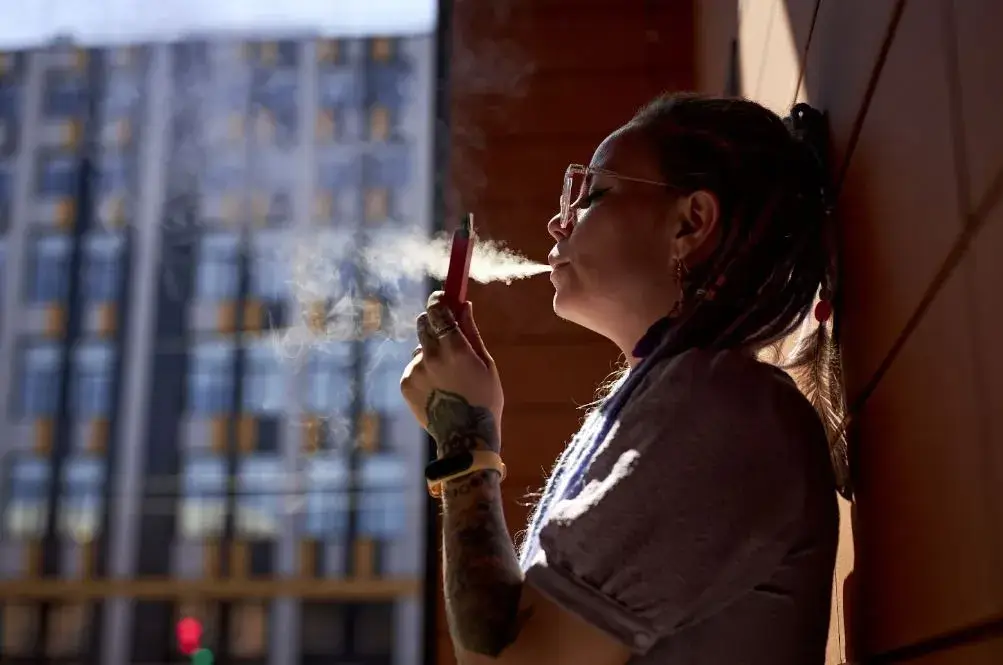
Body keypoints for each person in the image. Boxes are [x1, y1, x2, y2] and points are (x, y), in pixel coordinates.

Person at [400, 93, 848, 665]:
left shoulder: (718, 412)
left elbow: (506, 660)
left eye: (593, 195)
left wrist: (466, 443)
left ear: (691, 223)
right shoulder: (675, 399)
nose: (559, 221)